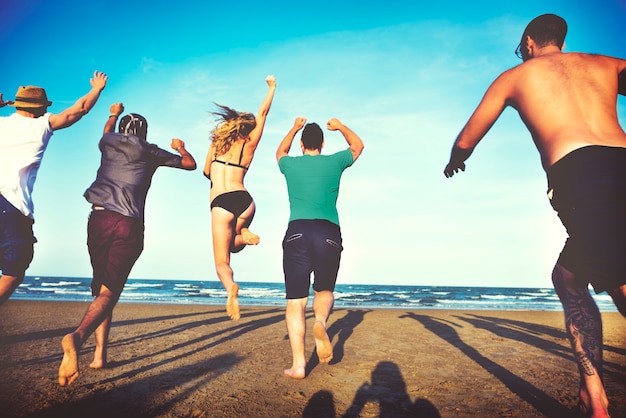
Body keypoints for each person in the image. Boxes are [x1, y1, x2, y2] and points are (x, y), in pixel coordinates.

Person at [443, 14, 626, 418]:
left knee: (618, 282)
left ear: (528, 43)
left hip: (580, 175)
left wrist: (455, 161)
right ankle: (592, 394)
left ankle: (595, 401)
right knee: (567, 277)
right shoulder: (608, 64)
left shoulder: (516, 75)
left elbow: (466, 138)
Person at [58, 103, 197, 386]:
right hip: (127, 224)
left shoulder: (107, 141)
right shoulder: (149, 150)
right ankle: (77, 337)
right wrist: (181, 147)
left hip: (97, 219)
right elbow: (190, 165)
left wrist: (112, 113)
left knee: (100, 288)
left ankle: (99, 357)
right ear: (143, 134)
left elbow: (107, 130)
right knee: (110, 292)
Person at [0, 71, 108, 306]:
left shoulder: (2, 123)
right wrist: (96, 89)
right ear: (39, 108)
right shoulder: (41, 125)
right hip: (11, 203)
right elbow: (78, 110)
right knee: (13, 271)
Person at [276, 116, 364, 379]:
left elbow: (279, 151)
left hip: (297, 232)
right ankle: (320, 323)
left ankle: (299, 365)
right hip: (328, 233)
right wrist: (340, 127)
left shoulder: (290, 164)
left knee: (296, 302)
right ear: (322, 144)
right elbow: (358, 146)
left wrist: (293, 127)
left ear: (302, 145)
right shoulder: (335, 161)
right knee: (324, 290)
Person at [203, 75, 276, 320]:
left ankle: (231, 287)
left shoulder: (216, 144)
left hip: (221, 202)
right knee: (234, 244)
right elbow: (263, 113)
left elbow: (205, 172)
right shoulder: (249, 145)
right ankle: (244, 233)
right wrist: (272, 88)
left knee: (222, 262)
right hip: (245, 200)